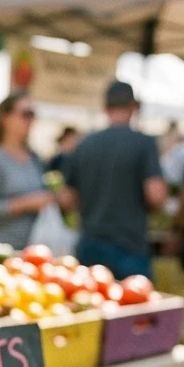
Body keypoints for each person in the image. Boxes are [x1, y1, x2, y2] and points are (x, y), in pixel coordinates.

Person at [62, 80, 166, 279]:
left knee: (92, 304)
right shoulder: (143, 144)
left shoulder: (84, 144)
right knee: (135, 307)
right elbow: (156, 195)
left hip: (90, 244)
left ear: (105, 108)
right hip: (130, 246)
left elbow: (68, 198)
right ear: (133, 107)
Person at [0, 94, 49, 251]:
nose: (30, 120)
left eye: (33, 115)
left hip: (32, 251)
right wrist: (26, 203)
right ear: (5, 118)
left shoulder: (34, 158)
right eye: (25, 114)